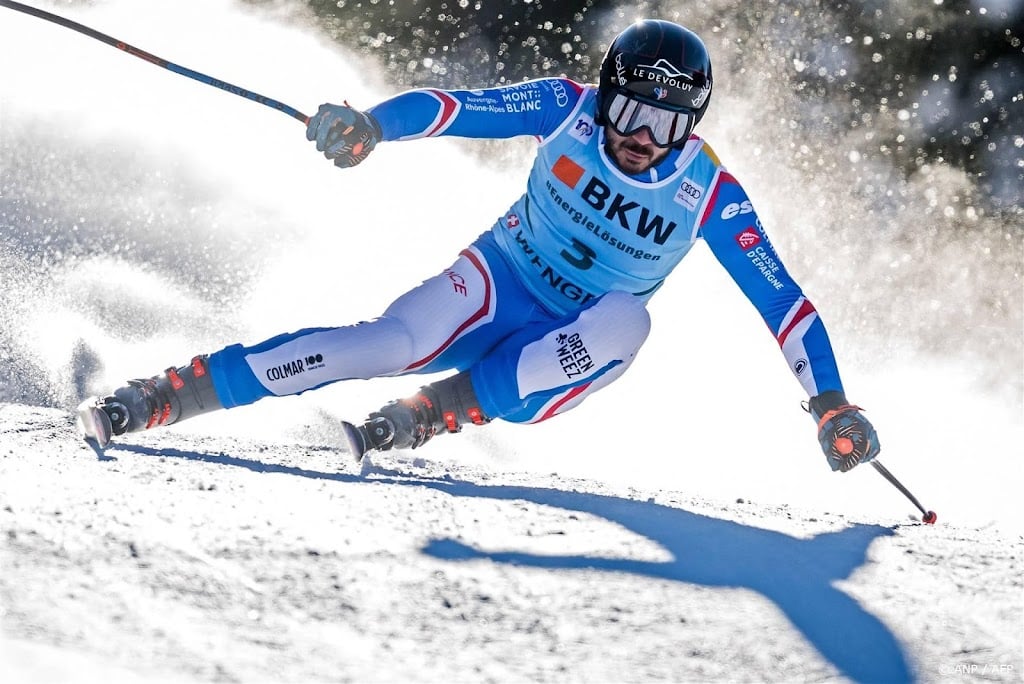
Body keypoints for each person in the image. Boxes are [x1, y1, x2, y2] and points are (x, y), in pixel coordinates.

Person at [77, 19, 879, 472]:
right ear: (606, 96)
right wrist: (370, 129)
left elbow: (785, 304)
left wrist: (832, 405)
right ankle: (162, 396)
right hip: (499, 276)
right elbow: (458, 107)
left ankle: (434, 414)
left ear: (692, 124)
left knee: (630, 321)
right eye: (630, 112)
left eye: (667, 124)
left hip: (577, 338)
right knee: (384, 343)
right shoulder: (567, 108)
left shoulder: (709, 192)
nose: (642, 137)